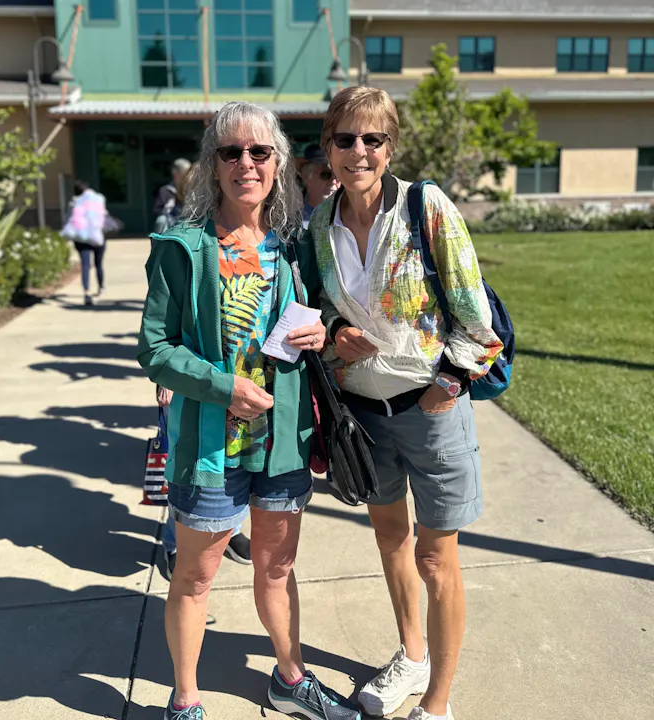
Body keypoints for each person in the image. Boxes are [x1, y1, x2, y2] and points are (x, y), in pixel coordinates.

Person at [137, 101, 360, 720]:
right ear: (213, 164)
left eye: (259, 152)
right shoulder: (182, 248)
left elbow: (323, 315)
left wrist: (323, 332)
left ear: (278, 162)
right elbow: (154, 348)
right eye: (230, 152)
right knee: (195, 578)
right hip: (212, 444)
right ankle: (185, 700)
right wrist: (221, 387)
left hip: (282, 439)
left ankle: (289, 678)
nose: (245, 163)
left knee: (277, 567)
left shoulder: (295, 245)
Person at [305, 87, 504, 720]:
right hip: (365, 415)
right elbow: (326, 313)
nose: (358, 151)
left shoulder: (425, 206)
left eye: (373, 139)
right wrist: (337, 337)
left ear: (390, 147)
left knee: (435, 555)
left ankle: (438, 700)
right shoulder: (319, 225)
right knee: (390, 535)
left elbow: (475, 314)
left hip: (430, 408)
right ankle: (411, 655)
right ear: (327, 148)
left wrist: (448, 384)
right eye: (345, 139)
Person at [155, 384, 252, 579]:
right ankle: (175, 544)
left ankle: (231, 530)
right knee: (186, 471)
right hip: (183, 377)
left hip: (237, 373)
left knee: (237, 460)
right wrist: (166, 379)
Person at [62, 180, 107, 306]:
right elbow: (103, 216)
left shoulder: (74, 202)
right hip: (97, 236)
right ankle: (101, 286)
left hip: (81, 237)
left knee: (85, 265)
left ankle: (86, 292)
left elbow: (68, 219)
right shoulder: (98, 199)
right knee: (98, 264)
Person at [301, 143, 339, 229]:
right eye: (325, 175)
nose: (333, 181)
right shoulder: (288, 217)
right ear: (306, 176)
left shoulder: (351, 217)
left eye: (338, 176)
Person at [154, 158, 192, 234]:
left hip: (189, 218)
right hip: (171, 219)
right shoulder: (165, 190)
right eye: (184, 173)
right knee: (161, 220)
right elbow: (156, 210)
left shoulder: (194, 188)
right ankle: (159, 244)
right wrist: (167, 208)